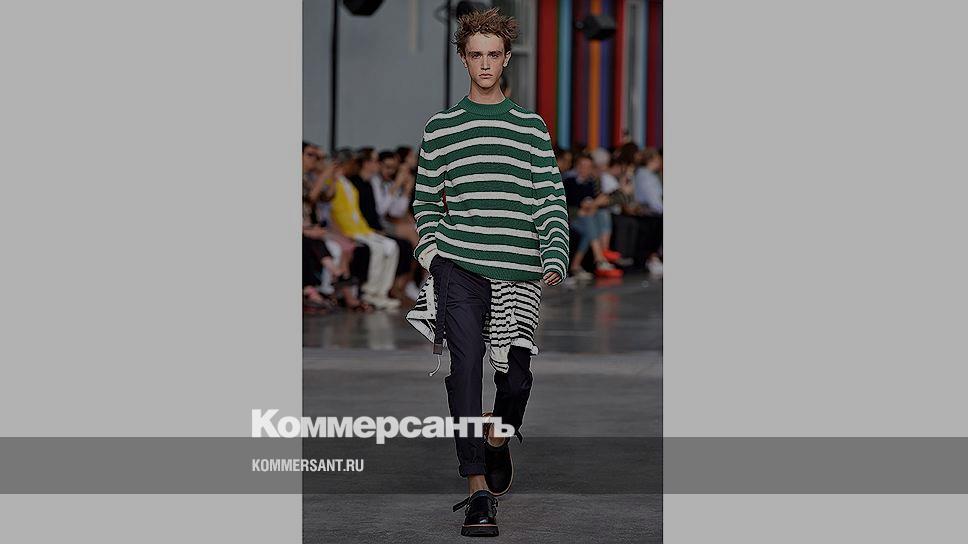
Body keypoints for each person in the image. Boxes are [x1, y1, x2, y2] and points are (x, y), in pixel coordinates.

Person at [404, 7, 569, 537]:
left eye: (493, 54)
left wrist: (555, 251)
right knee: (466, 369)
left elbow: (549, 197)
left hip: (518, 268)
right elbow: (425, 202)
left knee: (516, 378)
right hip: (460, 266)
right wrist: (432, 252)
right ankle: (477, 489)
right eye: (475, 55)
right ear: (463, 58)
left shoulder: (529, 128)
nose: (484, 64)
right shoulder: (441, 128)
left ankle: (498, 437)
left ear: (506, 58)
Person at [328, 149, 401, 310]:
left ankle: (381, 292)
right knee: (378, 249)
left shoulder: (347, 183)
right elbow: (331, 208)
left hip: (361, 228)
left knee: (392, 246)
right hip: (349, 230)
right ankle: (370, 292)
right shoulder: (335, 182)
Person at [562, 153, 623, 280]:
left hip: (586, 218)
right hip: (572, 218)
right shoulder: (568, 182)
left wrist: (593, 205)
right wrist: (580, 211)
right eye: (582, 166)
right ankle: (600, 258)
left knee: (600, 215)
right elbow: (564, 205)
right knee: (589, 220)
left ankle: (580, 264)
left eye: (588, 166)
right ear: (577, 166)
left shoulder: (591, 183)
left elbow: (595, 202)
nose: (585, 169)